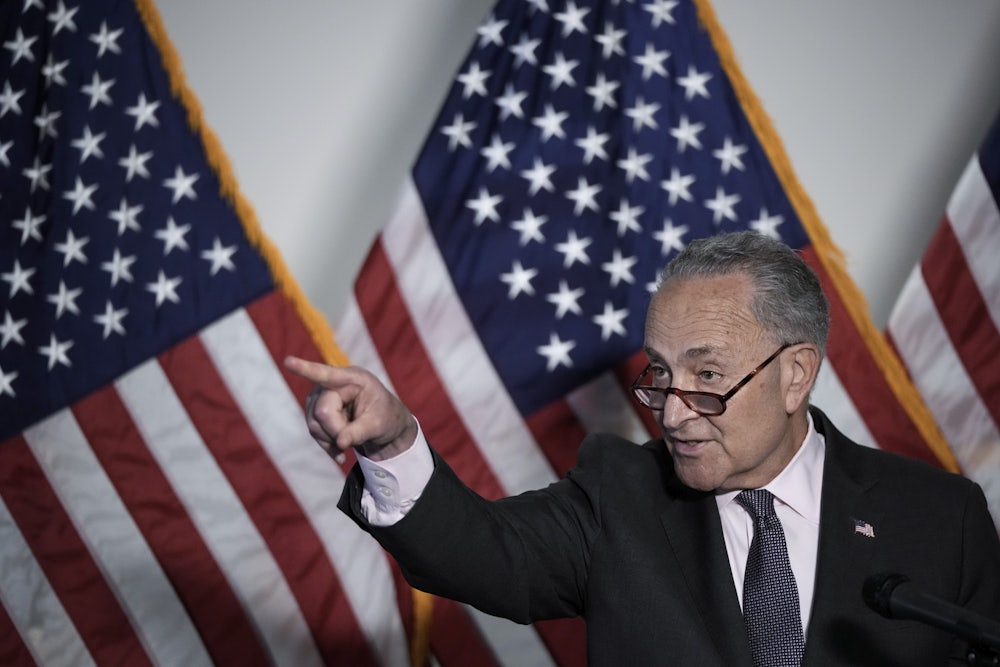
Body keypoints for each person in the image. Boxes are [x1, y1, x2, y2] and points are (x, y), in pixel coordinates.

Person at [285, 231, 1000, 666]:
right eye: (660, 373)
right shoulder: (618, 493)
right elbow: (479, 549)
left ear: (795, 374)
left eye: (708, 376)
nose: (675, 411)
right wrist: (392, 441)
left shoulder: (944, 518)